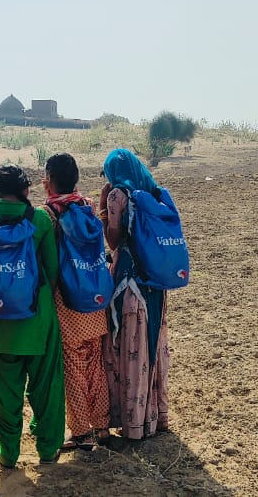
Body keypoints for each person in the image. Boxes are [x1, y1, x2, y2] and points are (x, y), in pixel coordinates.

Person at [0, 164, 66, 469]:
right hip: (37, 314)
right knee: (47, 385)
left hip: (0, 318)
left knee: (5, 389)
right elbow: (52, 270)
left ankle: (8, 453)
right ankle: (48, 449)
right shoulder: (40, 219)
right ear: (26, 189)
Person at [99, 148, 171, 440]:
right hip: (155, 281)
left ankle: (133, 423)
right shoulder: (154, 194)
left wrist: (104, 210)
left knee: (130, 346)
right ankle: (155, 417)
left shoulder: (118, 195)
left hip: (129, 282)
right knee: (152, 343)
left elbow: (114, 240)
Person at [42, 153, 112, 450]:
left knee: (73, 367)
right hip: (94, 295)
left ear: (49, 180)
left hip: (67, 299)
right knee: (95, 362)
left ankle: (81, 432)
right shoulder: (87, 206)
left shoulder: (49, 213)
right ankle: (103, 427)